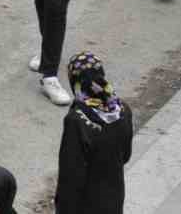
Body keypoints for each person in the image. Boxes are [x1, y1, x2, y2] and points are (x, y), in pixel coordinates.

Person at [55, 51, 133, 213]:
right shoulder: (123, 109)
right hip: (114, 197)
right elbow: (125, 155)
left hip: (86, 203)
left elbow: (70, 174)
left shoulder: (77, 121)